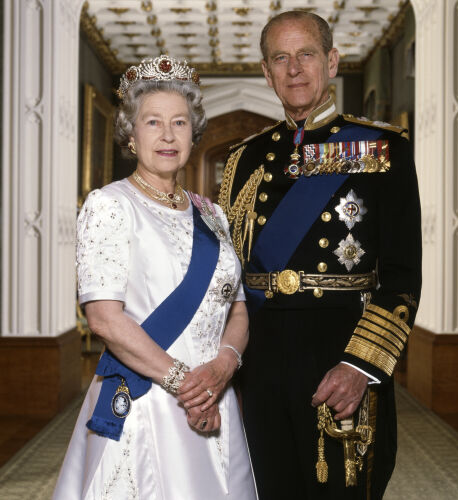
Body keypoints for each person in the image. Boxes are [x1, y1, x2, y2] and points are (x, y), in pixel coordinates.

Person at [219, 11, 421, 500]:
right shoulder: (243, 159)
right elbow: (226, 275)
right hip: (262, 358)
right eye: (280, 59)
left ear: (331, 61)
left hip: (340, 348)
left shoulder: (382, 148)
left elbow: (401, 278)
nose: (294, 69)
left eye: (306, 54)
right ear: (266, 73)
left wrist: (360, 366)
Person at [53, 55, 257, 500]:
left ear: (193, 133)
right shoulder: (110, 205)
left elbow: (237, 306)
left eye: (180, 122)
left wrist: (222, 368)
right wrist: (189, 387)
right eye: (153, 122)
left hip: (215, 393)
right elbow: (105, 319)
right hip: (152, 399)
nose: (168, 135)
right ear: (131, 134)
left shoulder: (213, 213)